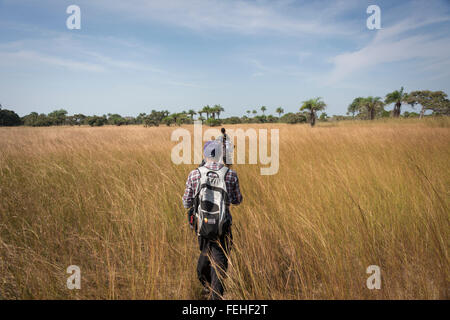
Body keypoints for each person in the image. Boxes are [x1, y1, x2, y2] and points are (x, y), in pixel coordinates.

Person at [182, 140, 242, 300]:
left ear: (205, 154)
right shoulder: (231, 174)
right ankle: (215, 293)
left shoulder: (194, 174)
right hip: (224, 226)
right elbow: (237, 200)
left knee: (205, 254)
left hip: (202, 226)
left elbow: (186, 202)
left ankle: (209, 288)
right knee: (219, 262)